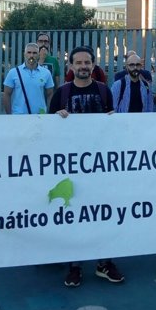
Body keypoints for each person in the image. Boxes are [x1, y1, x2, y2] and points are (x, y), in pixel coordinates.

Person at [49, 46, 123, 287]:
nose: (83, 66)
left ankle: (104, 262)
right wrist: (56, 120)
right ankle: (75, 265)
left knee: (103, 215)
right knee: (75, 217)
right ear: (71, 66)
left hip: (100, 167)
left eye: (87, 62)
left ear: (94, 65)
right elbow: (46, 132)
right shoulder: (61, 93)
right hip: (71, 168)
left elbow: (113, 128)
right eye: (78, 62)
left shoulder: (104, 91)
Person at [3, 43, 54, 115]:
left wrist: (49, 113)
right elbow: (6, 94)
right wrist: (9, 115)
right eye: (29, 52)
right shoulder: (13, 72)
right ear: (24, 54)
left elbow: (50, 94)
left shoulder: (46, 73)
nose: (31, 55)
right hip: (19, 116)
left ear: (39, 55)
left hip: (40, 116)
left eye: (34, 53)